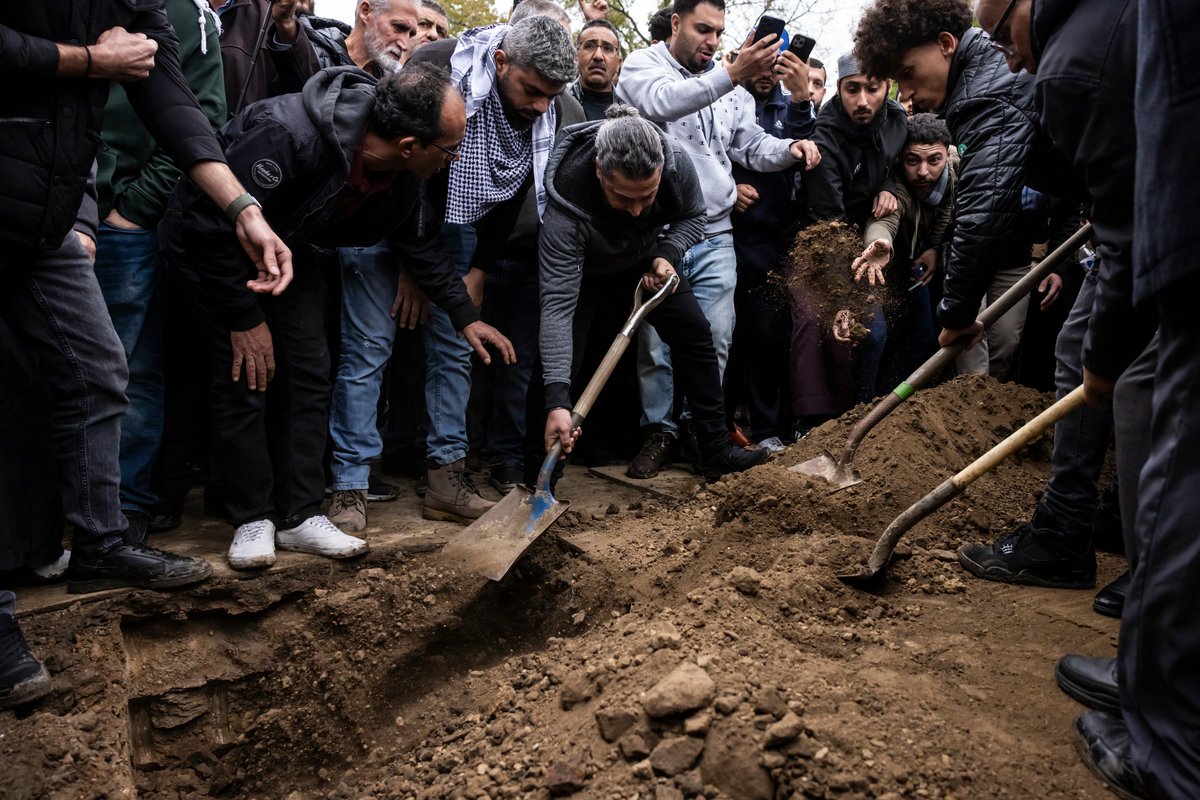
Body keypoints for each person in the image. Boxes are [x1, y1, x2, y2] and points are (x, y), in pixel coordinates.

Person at [0, 0, 293, 708]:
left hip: (48, 212)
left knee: (101, 371)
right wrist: (88, 62)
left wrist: (242, 209)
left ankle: (101, 540)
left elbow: (170, 96)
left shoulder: (136, 4)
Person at [163, 64, 514, 569]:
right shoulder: (289, 136)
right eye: (449, 149)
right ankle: (252, 517)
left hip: (291, 250)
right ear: (411, 144)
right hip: (214, 255)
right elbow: (203, 220)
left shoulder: (400, 175)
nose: (455, 159)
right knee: (245, 375)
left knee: (310, 371)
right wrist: (243, 317)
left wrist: (465, 316)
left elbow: (420, 245)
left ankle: (300, 514)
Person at [616, 0, 819, 478]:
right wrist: (730, 74)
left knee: (716, 338)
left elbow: (749, 146)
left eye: (718, 32)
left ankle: (699, 430)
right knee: (655, 344)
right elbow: (661, 104)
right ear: (675, 24)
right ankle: (659, 431)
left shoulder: (733, 91)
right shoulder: (645, 66)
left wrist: (789, 148)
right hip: (658, 234)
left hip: (716, 234)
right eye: (702, 29)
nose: (711, 41)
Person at [404, 16, 578, 520]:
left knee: (455, 347)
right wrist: (410, 264)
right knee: (369, 347)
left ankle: (445, 478)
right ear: (500, 62)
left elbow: (512, 190)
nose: (542, 107)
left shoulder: (542, 114)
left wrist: (477, 269)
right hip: (396, 220)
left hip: (464, 230)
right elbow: (405, 169)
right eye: (532, 90)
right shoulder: (437, 65)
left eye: (553, 95)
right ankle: (354, 480)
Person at [853, 0, 1080, 382]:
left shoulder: (986, 95)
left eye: (907, 73)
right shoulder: (982, 79)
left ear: (945, 44)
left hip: (1134, 210)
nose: (905, 92)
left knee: (1079, 358)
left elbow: (982, 213)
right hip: (1126, 204)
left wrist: (955, 316)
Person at [540, 108, 769, 479]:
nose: (635, 210)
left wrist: (666, 255)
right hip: (584, 270)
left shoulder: (676, 162)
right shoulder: (568, 198)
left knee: (697, 332)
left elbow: (694, 216)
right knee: (566, 359)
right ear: (600, 170)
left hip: (644, 258)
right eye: (622, 197)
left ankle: (714, 449)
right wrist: (555, 401)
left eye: (645, 197)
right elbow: (556, 309)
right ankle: (545, 465)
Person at [92, 0, 227, 546]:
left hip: (124, 216)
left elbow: (201, 118)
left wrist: (134, 209)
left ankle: (123, 512)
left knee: (130, 367)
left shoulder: (189, 17)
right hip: (45, 205)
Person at [791, 53, 907, 423]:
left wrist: (889, 186)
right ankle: (816, 424)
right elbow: (831, 228)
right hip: (821, 241)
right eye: (851, 89)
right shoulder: (824, 140)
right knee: (827, 325)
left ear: (886, 86)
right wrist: (842, 299)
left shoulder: (897, 120)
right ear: (838, 90)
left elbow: (897, 168)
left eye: (871, 88)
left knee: (874, 335)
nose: (861, 101)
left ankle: (865, 418)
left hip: (872, 240)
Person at [726, 40, 817, 452]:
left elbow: (808, 161)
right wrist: (729, 189)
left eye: (774, 64)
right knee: (722, 339)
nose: (765, 71)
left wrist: (801, 102)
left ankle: (767, 431)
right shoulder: (724, 100)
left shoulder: (791, 108)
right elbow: (706, 155)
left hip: (771, 240)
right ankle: (716, 431)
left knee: (766, 339)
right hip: (724, 234)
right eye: (759, 62)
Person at [856, 112, 956, 387]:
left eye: (933, 160)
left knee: (924, 335)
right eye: (913, 161)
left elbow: (945, 207)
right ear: (901, 158)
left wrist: (934, 247)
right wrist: (880, 244)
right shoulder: (895, 188)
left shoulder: (955, 169)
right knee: (874, 335)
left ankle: (895, 401)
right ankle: (864, 406)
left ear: (947, 155)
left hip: (916, 263)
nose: (923, 172)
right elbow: (884, 220)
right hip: (878, 265)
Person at [211, 0, 320, 116]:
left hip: (241, 131)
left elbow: (310, 97)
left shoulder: (270, 13)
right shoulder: (191, 9)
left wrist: (286, 24)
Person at [304, 0, 420, 73]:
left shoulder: (394, 85)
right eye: (399, 27)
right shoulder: (306, 53)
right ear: (365, 11)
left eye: (411, 34)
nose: (405, 45)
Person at [569, 19, 622, 121]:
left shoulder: (629, 116)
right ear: (576, 56)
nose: (598, 56)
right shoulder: (556, 104)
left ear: (618, 64)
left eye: (607, 48)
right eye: (589, 46)